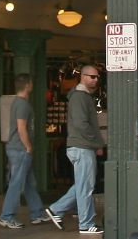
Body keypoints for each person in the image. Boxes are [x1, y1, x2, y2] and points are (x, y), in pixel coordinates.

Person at [46, 64, 104, 233]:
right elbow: (81, 124)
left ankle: (57, 209)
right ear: (83, 77)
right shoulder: (80, 97)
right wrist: (96, 143)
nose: (95, 80)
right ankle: (85, 224)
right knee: (86, 187)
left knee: (83, 185)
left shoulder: (81, 96)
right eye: (92, 77)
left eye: (97, 77)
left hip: (81, 146)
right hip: (82, 146)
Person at [0, 74, 47, 230]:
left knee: (29, 182)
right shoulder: (23, 105)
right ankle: (7, 216)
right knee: (16, 183)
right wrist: (28, 146)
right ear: (28, 85)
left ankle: (37, 213)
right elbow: (21, 128)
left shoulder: (17, 103)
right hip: (20, 149)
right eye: (31, 83)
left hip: (17, 148)